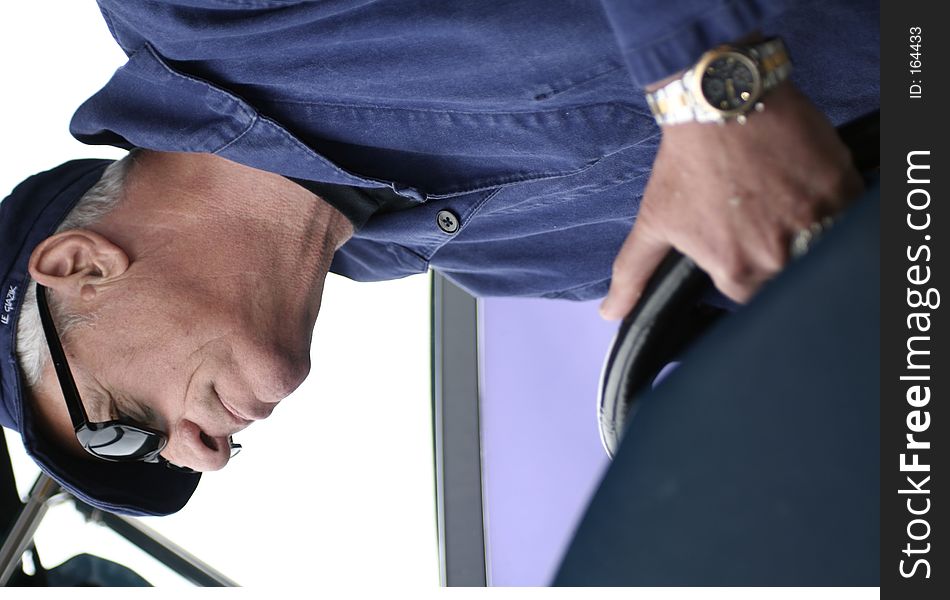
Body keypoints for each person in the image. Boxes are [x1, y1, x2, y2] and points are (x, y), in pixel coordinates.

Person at [0, 0, 879, 516]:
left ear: (80, 266)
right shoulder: (512, 265)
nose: (203, 457)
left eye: (122, 426)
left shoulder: (202, 13)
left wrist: (713, 93)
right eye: (166, 465)